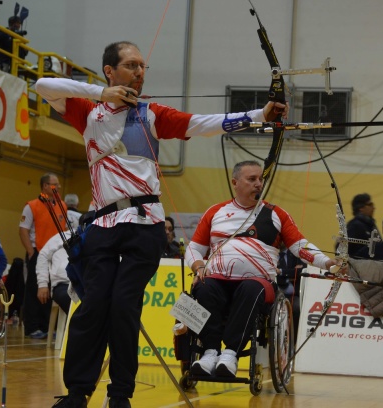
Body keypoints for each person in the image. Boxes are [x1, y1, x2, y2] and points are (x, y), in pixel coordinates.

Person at [34, 41, 287, 408]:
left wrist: (260, 115)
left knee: (124, 306)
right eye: (131, 65)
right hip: (103, 225)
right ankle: (77, 393)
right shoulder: (88, 113)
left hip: (145, 225)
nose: (139, 72)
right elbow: (42, 85)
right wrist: (100, 92)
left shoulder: (150, 113)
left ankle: (119, 394)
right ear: (110, 71)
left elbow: (203, 124)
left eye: (142, 66)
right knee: (91, 307)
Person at [185, 160, 337, 378]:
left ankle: (230, 355)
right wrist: (198, 265)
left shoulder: (276, 214)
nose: (258, 184)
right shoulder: (215, 212)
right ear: (235, 183)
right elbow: (193, 248)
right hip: (218, 280)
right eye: (251, 179)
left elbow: (299, 246)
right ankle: (209, 353)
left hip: (257, 283)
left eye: (260, 179)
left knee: (250, 288)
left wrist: (326, 262)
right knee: (204, 287)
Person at [19, 173, 67, 339]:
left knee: (52, 289)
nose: (58, 187)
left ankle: (48, 326)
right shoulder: (31, 206)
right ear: (45, 186)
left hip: (56, 254)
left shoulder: (62, 206)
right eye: (55, 184)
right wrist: (31, 252)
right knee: (34, 290)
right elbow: (23, 230)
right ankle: (32, 327)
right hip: (37, 251)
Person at [36, 231, 72, 314]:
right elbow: (43, 255)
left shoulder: (95, 237)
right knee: (70, 300)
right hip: (63, 284)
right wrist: (42, 284)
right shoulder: (62, 236)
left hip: (87, 285)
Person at [276, 242, 306, 340]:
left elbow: (302, 271)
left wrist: (281, 271)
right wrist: (292, 272)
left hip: (294, 294)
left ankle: (296, 338)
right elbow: (271, 271)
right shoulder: (272, 253)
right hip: (277, 293)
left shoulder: (297, 253)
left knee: (297, 308)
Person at [345, 193, 378, 257]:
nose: (373, 207)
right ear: (361, 208)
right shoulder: (355, 226)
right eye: (370, 204)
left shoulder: (370, 224)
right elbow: (341, 247)